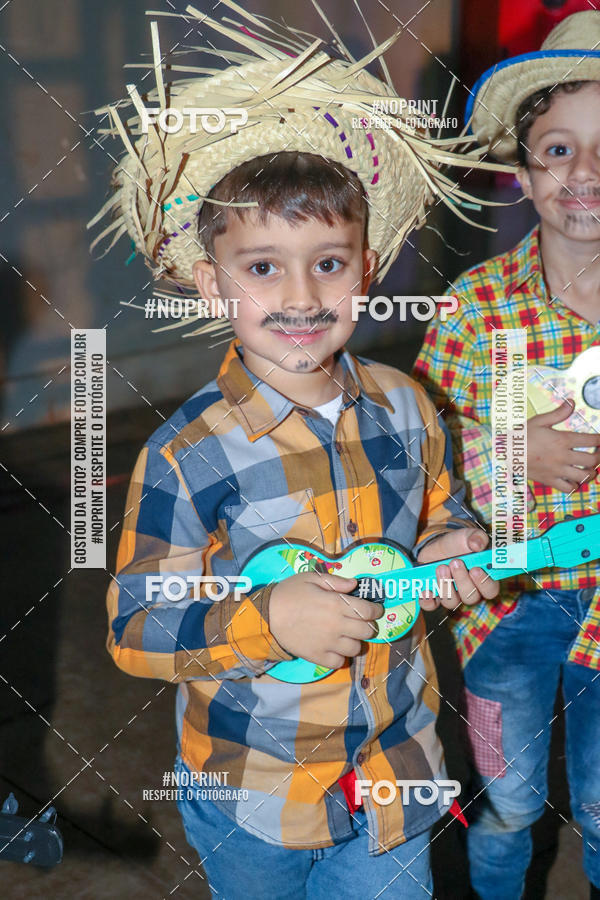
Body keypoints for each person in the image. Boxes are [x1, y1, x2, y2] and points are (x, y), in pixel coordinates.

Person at [91, 4, 504, 896]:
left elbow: (444, 506)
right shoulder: (186, 451)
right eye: (264, 265)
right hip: (254, 789)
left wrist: (452, 544)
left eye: (329, 261)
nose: (302, 294)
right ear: (211, 280)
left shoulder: (407, 404)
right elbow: (135, 627)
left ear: (369, 267)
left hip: (398, 770)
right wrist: (266, 622)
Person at [413, 11, 600, 900]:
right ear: (523, 171)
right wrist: (509, 451)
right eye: (557, 150)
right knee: (511, 803)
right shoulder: (477, 301)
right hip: (508, 608)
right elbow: (420, 453)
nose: (584, 173)